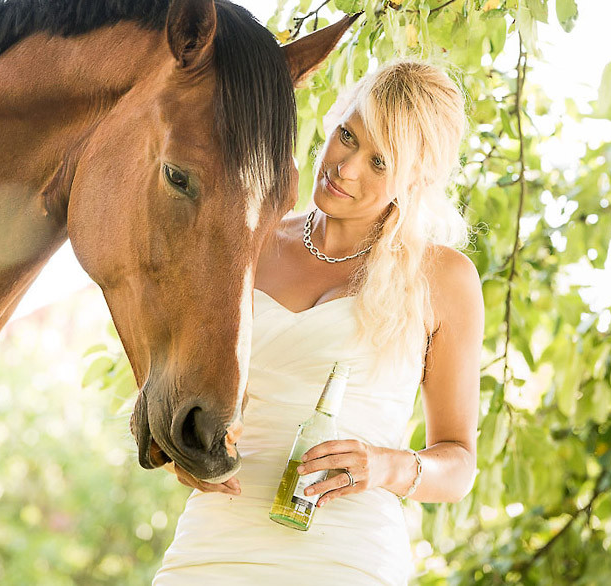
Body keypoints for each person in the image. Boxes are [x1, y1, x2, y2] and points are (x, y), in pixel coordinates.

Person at [151, 58, 484, 585]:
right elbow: (173, 391)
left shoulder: (444, 279)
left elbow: (459, 462)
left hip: (346, 556)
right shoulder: (248, 243)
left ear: (415, 179)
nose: (345, 167)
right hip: (216, 545)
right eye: (347, 135)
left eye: (380, 162)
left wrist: (388, 465)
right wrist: (180, 456)